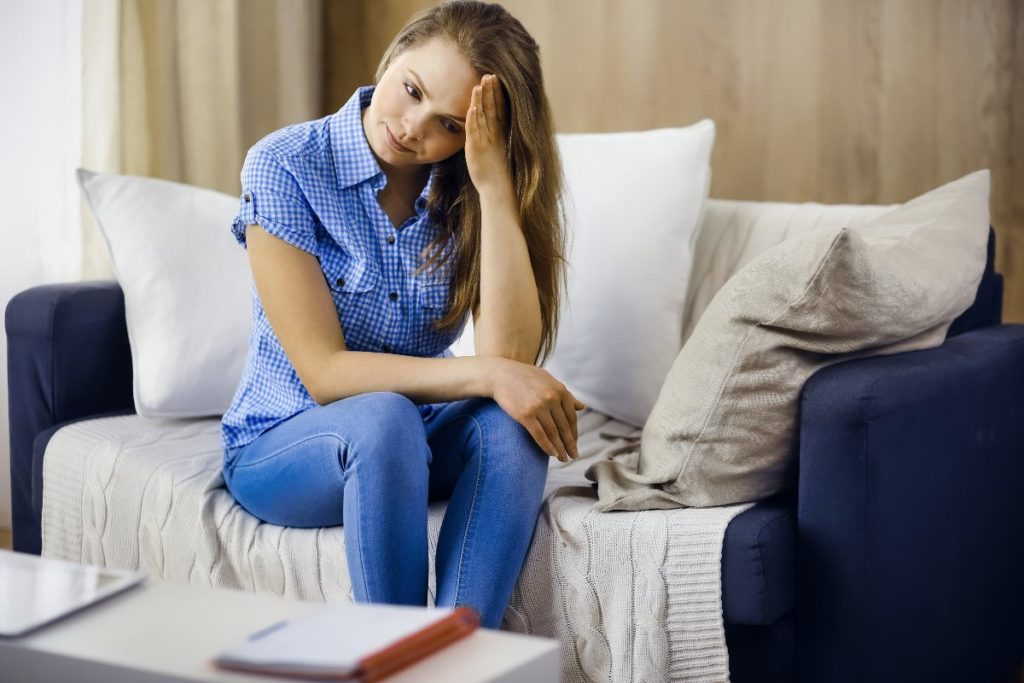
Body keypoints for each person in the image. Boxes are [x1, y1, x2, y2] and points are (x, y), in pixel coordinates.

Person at [219, 0, 585, 629]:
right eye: (410, 90)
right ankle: (396, 654)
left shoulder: (462, 188)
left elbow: (508, 355)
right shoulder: (286, 165)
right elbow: (326, 375)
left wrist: (493, 184)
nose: (414, 127)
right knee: (384, 419)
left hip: (407, 440)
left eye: (447, 123)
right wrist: (487, 375)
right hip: (281, 444)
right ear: (392, 58)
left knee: (510, 427)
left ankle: (458, 654)